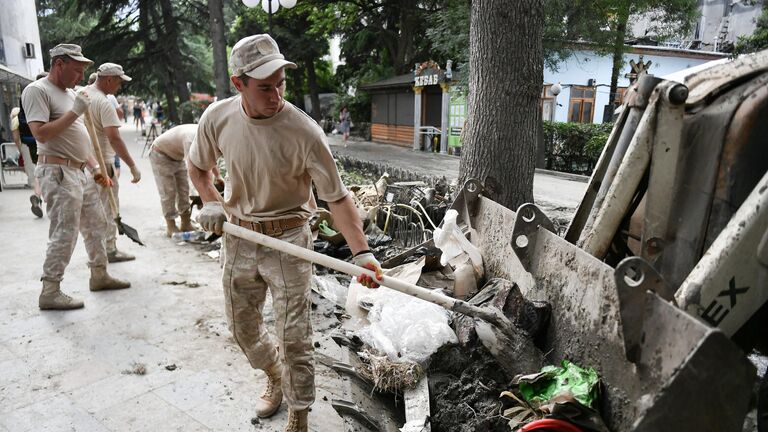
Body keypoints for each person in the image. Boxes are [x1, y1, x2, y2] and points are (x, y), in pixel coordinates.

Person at [188, 34, 383, 432]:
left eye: (280, 83)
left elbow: (338, 199)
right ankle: (275, 374)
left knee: (294, 336)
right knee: (242, 329)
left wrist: (361, 254)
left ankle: (300, 410)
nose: (276, 94)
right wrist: (209, 199)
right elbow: (198, 167)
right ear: (237, 82)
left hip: (290, 241)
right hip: (240, 236)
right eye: (264, 87)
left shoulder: (304, 132)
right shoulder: (217, 118)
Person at [21, 43, 131, 310]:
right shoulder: (37, 91)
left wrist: (95, 168)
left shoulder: (71, 93)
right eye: (77, 69)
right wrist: (76, 111)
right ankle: (50, 290)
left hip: (81, 170)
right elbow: (41, 134)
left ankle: (99, 274)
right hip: (58, 172)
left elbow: (80, 137)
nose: (82, 77)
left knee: (97, 224)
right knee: (65, 232)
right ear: (59, 64)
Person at [81, 62, 141, 263]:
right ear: (108, 80)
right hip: (103, 165)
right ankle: (109, 250)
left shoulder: (82, 94)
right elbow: (114, 138)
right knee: (107, 209)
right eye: (118, 82)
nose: (120, 86)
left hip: (85, 163)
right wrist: (132, 166)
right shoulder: (104, 103)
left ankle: (100, 251)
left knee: (93, 211)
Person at [149, 123, 224, 236]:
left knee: (184, 190)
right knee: (168, 191)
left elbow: (208, 160)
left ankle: (185, 223)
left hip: (177, 157)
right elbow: (195, 171)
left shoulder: (208, 138)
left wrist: (218, 177)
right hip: (160, 154)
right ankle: (171, 225)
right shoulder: (192, 139)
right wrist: (206, 197)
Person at [10, 106, 43, 217]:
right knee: (43, 170)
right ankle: (40, 197)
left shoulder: (15, 120)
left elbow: (15, 138)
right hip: (40, 145)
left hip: (26, 147)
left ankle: (37, 197)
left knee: (35, 174)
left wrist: (21, 150)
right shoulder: (35, 114)